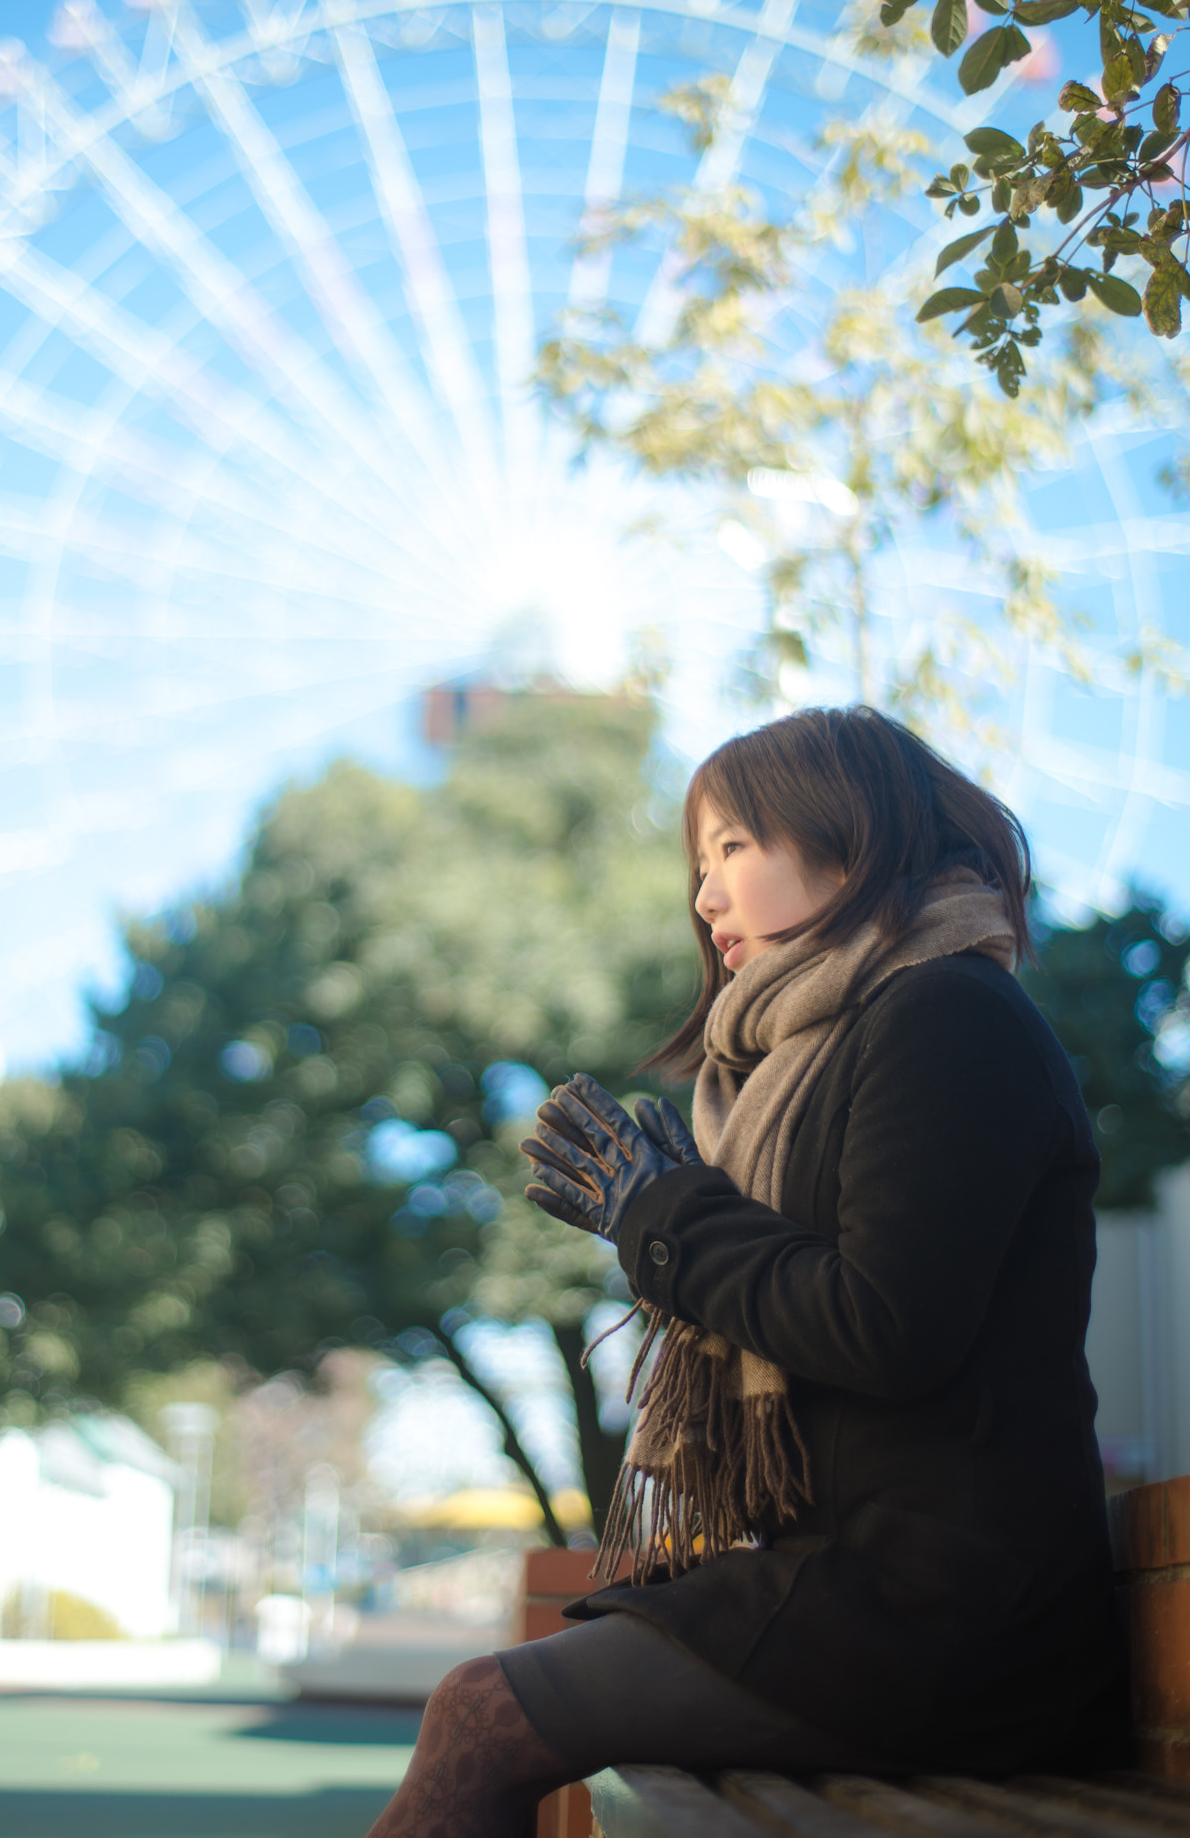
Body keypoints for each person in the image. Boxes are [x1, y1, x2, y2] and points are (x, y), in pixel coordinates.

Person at [366, 707, 1125, 1838]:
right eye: (697, 862)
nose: (703, 895)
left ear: (844, 837)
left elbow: (883, 1326)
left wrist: (668, 1221)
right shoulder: (813, 1053)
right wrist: (675, 1225)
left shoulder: (947, 1015)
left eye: (730, 847)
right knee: (487, 1700)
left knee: (481, 1709)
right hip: (855, 1586)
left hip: (945, 1619)